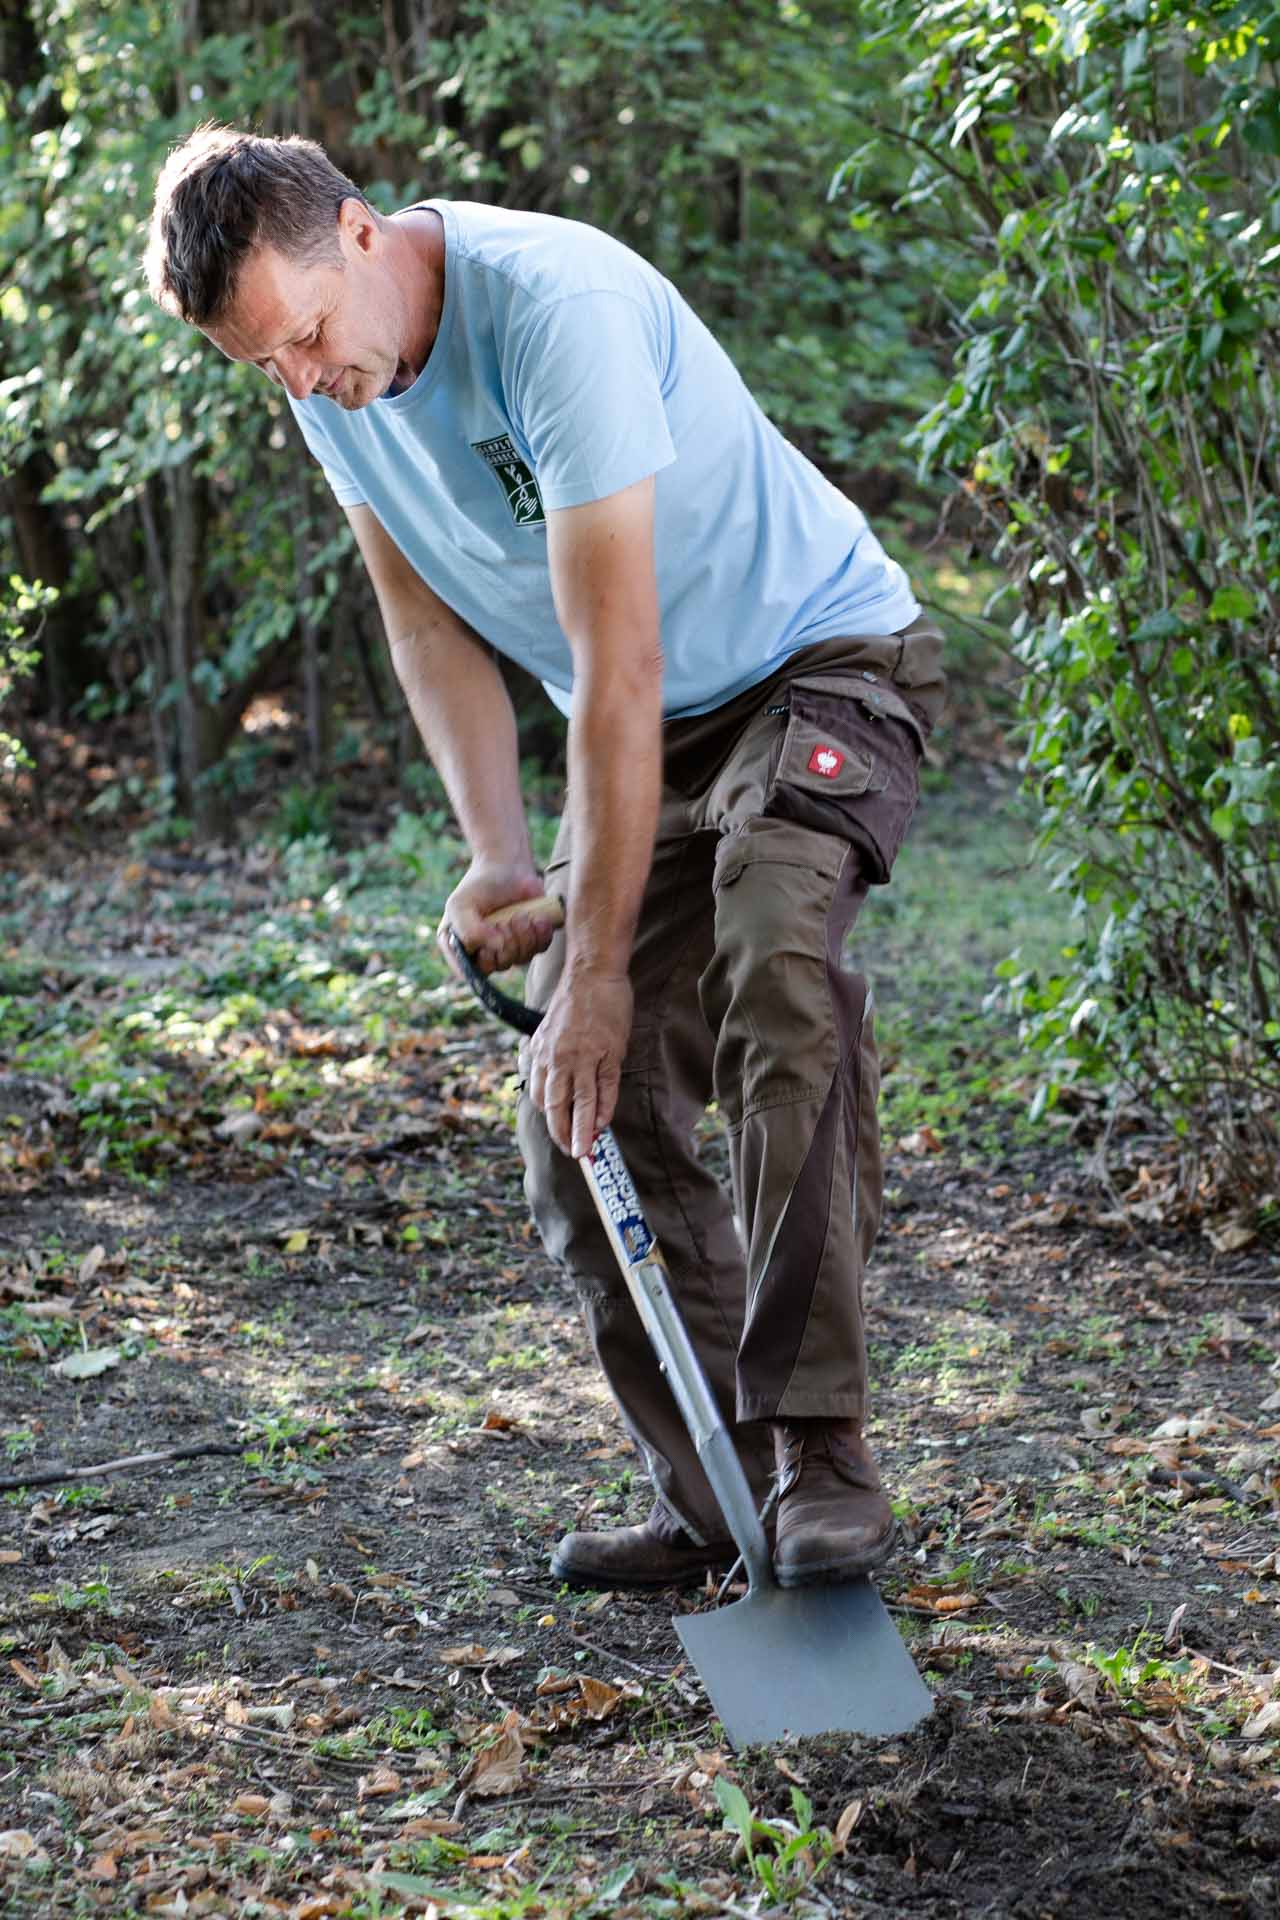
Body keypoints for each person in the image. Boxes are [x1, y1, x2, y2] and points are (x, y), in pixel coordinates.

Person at [143, 125, 947, 1591]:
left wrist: (593, 960)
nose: (308, 380)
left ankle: (820, 1447)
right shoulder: (335, 386)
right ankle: (720, 1491)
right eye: (269, 364)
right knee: (580, 1114)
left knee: (778, 971)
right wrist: (505, 858)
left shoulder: (550, 309)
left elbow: (618, 656)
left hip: (812, 665)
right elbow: (424, 622)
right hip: (645, 722)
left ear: (368, 232)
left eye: (311, 337)